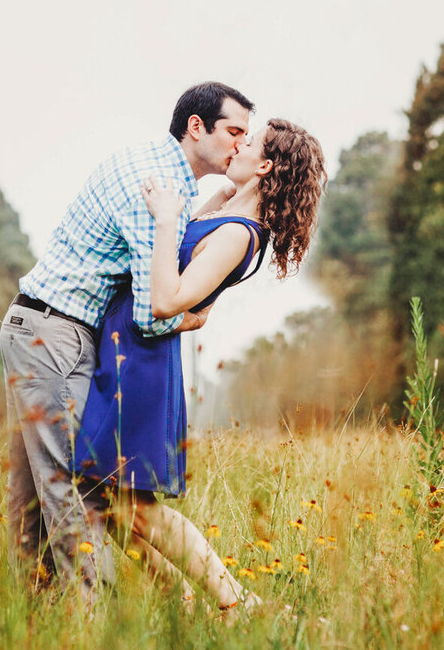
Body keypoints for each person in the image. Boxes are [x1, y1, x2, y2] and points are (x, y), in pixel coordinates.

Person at [1, 82, 253, 605]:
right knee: (70, 487)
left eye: (247, 137)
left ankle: (35, 617)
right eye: (233, 132)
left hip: (50, 331)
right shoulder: (156, 189)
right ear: (196, 127)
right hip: (53, 334)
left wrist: (225, 197)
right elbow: (150, 314)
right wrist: (191, 319)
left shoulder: (165, 180)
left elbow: (177, 235)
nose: (239, 145)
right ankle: (90, 619)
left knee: (33, 492)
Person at [73, 118, 327, 612]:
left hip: (141, 367)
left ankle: (236, 603)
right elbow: (197, 306)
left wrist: (168, 221)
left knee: (134, 508)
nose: (237, 145)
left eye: (247, 141)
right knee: (104, 501)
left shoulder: (238, 233)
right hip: (127, 352)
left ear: (267, 165)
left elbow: (169, 301)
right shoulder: (224, 212)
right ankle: (184, 603)